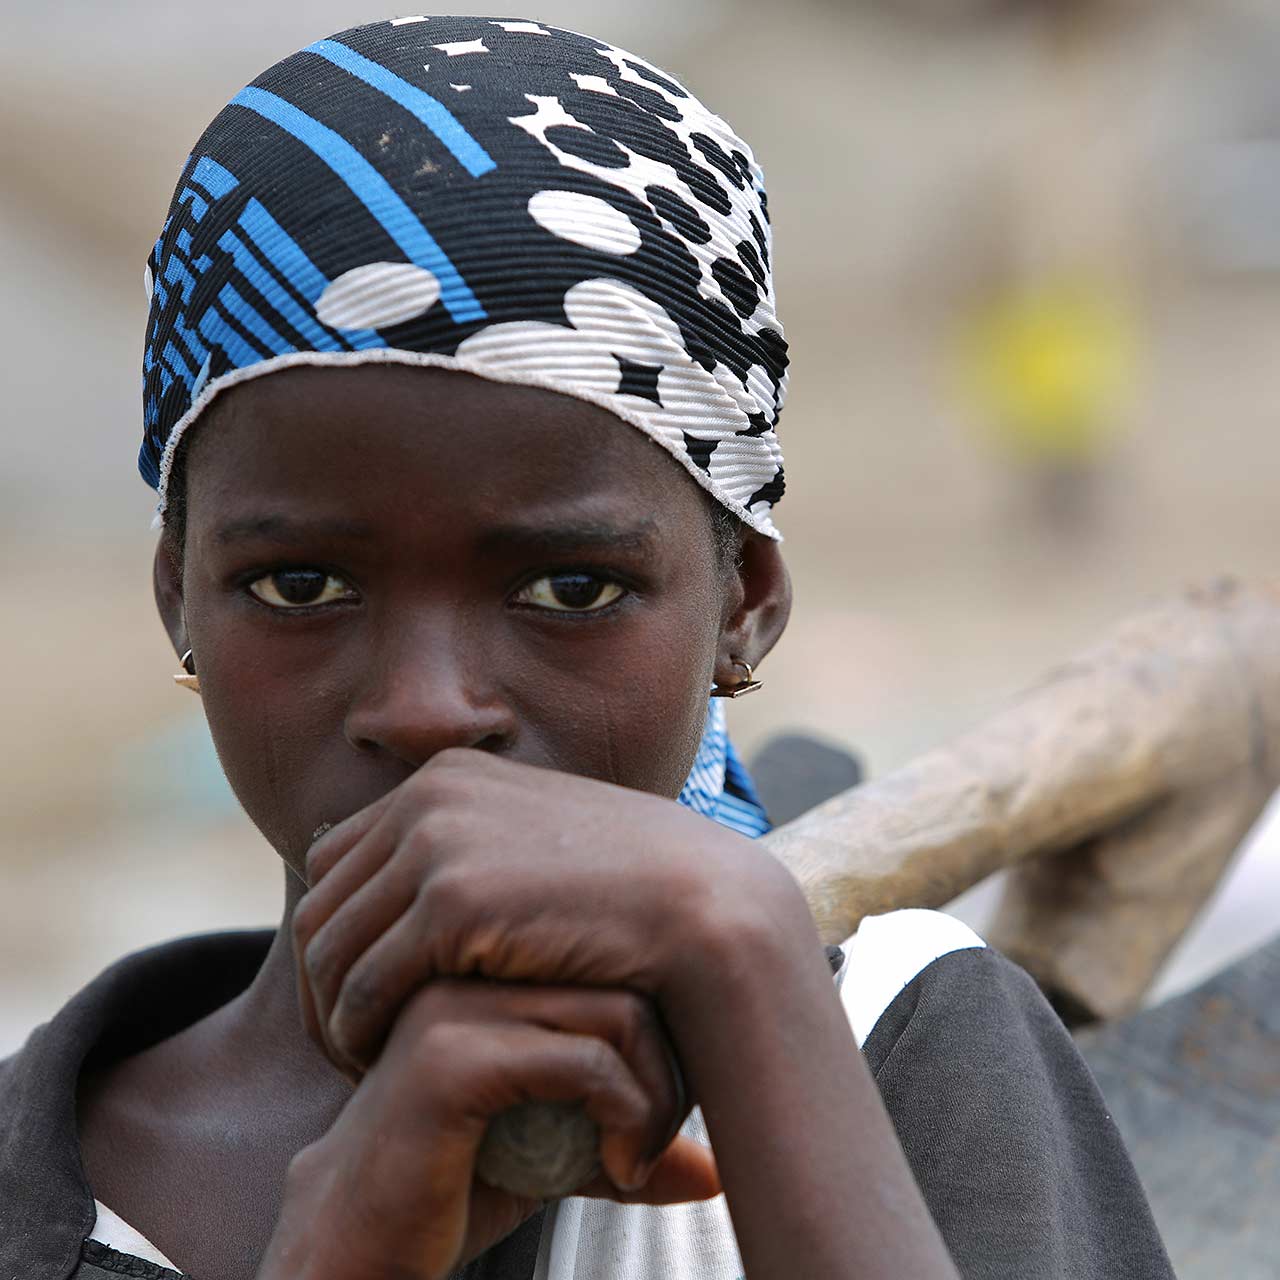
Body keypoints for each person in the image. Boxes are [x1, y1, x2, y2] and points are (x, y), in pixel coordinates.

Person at [0, 17, 1174, 1280]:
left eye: (570, 586)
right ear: (179, 596)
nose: (429, 706)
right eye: (302, 581)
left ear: (745, 605)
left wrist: (742, 954)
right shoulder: (45, 1170)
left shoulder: (883, 1050)